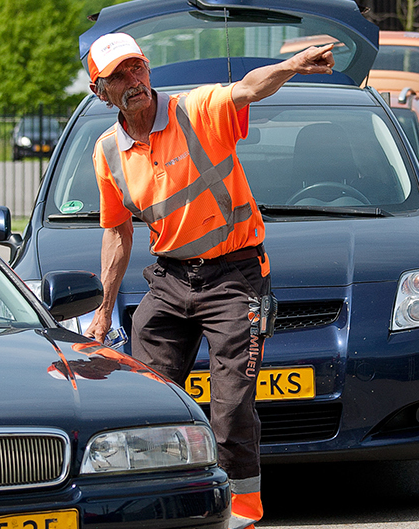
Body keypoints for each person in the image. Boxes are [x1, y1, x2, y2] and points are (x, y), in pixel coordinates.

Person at [81, 32, 336, 529]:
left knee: (231, 407)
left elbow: (247, 89)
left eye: (137, 68)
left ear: (147, 69)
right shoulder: (108, 152)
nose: (133, 81)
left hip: (236, 278)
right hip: (171, 280)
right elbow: (116, 233)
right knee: (151, 401)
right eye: (118, 76)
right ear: (99, 90)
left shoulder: (195, 109)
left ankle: (241, 510)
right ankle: (164, 503)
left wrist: (294, 65)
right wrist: (104, 310)